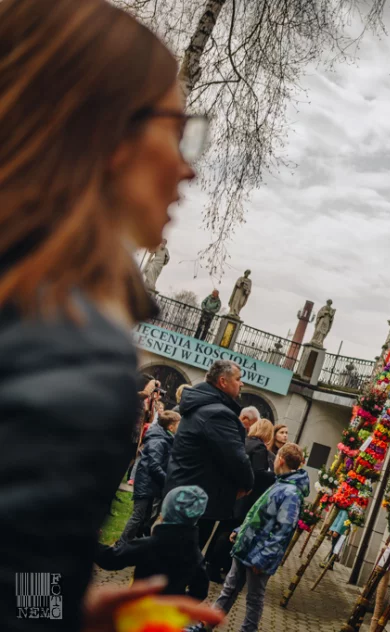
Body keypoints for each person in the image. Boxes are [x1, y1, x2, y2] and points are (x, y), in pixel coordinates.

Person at [0, 1, 223, 629]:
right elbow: (24, 596)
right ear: (102, 128)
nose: (187, 167)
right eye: (176, 132)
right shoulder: (70, 343)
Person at [193, 444, 309, 632]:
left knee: (254, 599)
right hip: (246, 547)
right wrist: (240, 531)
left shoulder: (291, 493)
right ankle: (205, 626)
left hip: (259, 556)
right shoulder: (280, 484)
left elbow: (283, 531)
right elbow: (259, 514)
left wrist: (263, 558)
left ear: (280, 459)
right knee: (228, 590)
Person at [164, 360, 255, 550]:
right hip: (197, 501)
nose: (242, 384)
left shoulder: (202, 404)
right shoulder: (216, 414)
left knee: (168, 555)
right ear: (223, 381)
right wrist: (247, 484)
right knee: (179, 561)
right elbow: (237, 457)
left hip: (185, 493)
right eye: (238, 379)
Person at [96, 486, 210, 600]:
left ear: (165, 513)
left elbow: (112, 559)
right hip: (167, 615)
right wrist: (177, 601)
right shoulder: (195, 555)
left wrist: (90, 541)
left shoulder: (150, 544)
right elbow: (200, 591)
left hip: (138, 607)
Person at [205, 419, 276, 582]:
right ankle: (214, 568)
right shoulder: (259, 448)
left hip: (232, 495)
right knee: (229, 533)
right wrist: (275, 475)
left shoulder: (245, 442)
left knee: (221, 529)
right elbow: (258, 473)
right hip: (245, 498)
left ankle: (208, 561)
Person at [120, 411, 181, 544]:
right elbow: (154, 465)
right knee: (138, 516)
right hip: (145, 483)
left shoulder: (166, 438)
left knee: (144, 517)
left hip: (150, 484)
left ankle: (133, 542)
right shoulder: (158, 441)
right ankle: (121, 544)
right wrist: (167, 481)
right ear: (171, 427)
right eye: (178, 424)